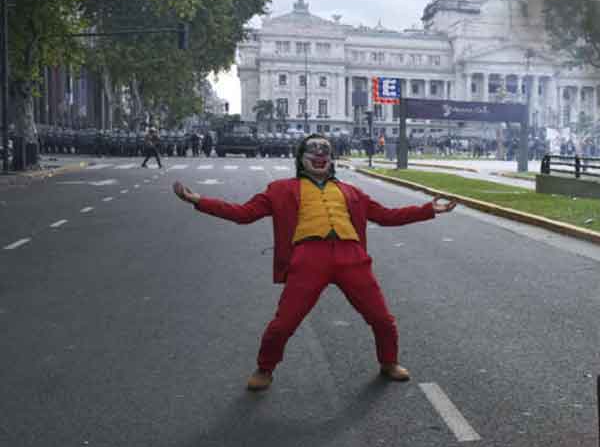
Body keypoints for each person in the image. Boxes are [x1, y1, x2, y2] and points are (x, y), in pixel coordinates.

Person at [172, 134, 457, 391]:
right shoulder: (280, 189)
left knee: (382, 318)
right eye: (313, 152)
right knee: (284, 323)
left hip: (352, 257)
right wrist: (200, 201)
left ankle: (389, 362)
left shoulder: (351, 192)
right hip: (308, 258)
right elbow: (244, 213)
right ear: (301, 158)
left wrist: (427, 210)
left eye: (325, 152)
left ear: (331, 160)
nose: (320, 156)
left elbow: (386, 215)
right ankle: (265, 368)